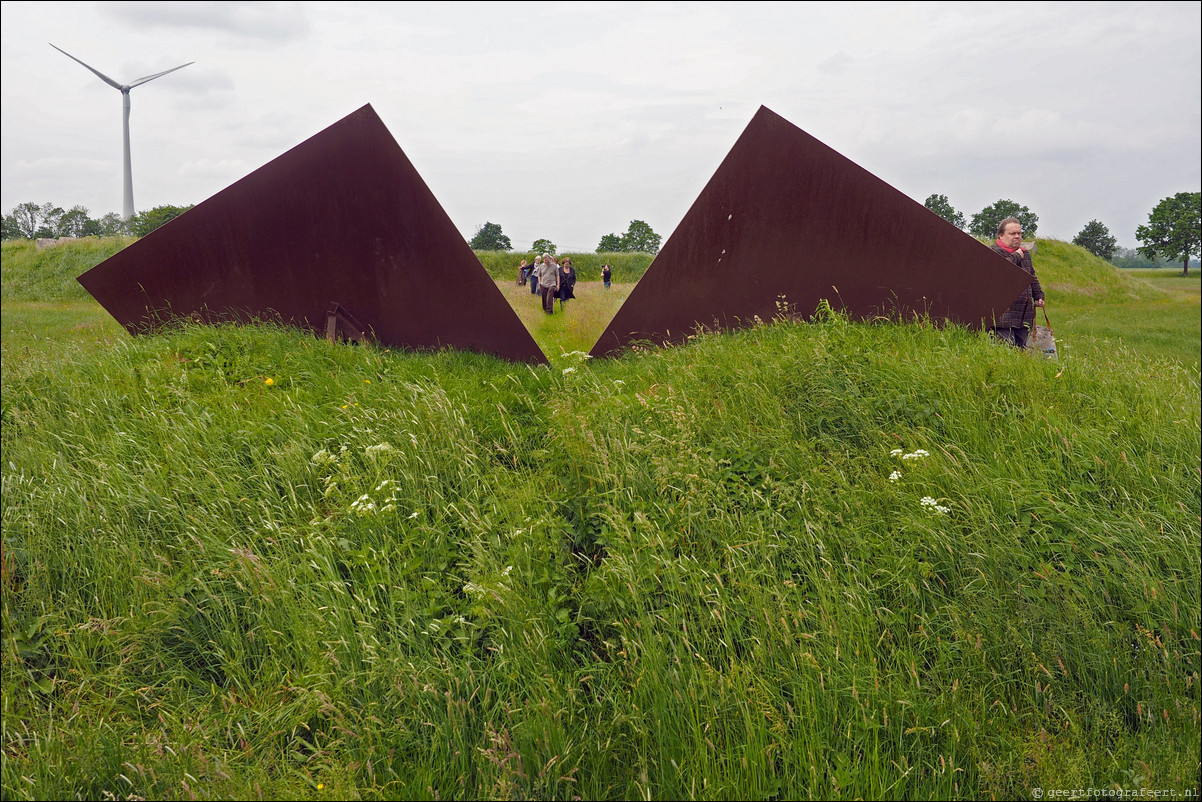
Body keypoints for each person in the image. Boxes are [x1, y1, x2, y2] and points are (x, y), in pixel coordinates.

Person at [989, 217, 1045, 348]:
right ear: (1001, 235)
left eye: (1019, 233)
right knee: (1005, 353)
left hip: (1023, 316)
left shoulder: (1025, 254)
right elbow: (1000, 272)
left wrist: (1039, 295)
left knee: (1023, 352)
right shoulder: (993, 252)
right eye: (1012, 233)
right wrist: (1016, 256)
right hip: (1002, 316)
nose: (1017, 236)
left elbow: (1031, 276)